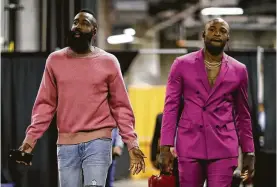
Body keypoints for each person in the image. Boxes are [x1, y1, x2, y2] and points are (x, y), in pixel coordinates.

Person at [18, 9, 145, 187]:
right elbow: (45, 105)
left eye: (84, 23)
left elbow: (121, 107)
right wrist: (30, 140)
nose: (77, 26)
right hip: (66, 144)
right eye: (75, 22)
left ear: (94, 32)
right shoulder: (55, 60)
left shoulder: (108, 62)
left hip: (98, 143)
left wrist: (132, 144)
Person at [159, 18, 255, 187]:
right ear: (203, 35)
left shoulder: (239, 70)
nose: (217, 33)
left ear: (228, 38)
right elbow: (171, 107)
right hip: (189, 144)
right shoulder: (181, 64)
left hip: (224, 145)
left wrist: (249, 151)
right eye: (212, 29)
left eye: (223, 31)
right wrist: (165, 147)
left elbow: (243, 114)